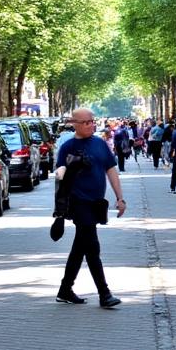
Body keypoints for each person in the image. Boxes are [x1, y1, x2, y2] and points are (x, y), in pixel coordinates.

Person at [54, 108, 124, 309]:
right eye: (85, 122)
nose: (90, 125)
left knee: (80, 248)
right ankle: (104, 293)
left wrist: (120, 198)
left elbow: (111, 170)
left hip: (95, 203)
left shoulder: (100, 144)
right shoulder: (67, 147)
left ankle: (65, 289)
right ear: (74, 123)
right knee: (92, 247)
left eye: (92, 121)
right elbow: (60, 175)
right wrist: (66, 169)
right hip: (78, 203)